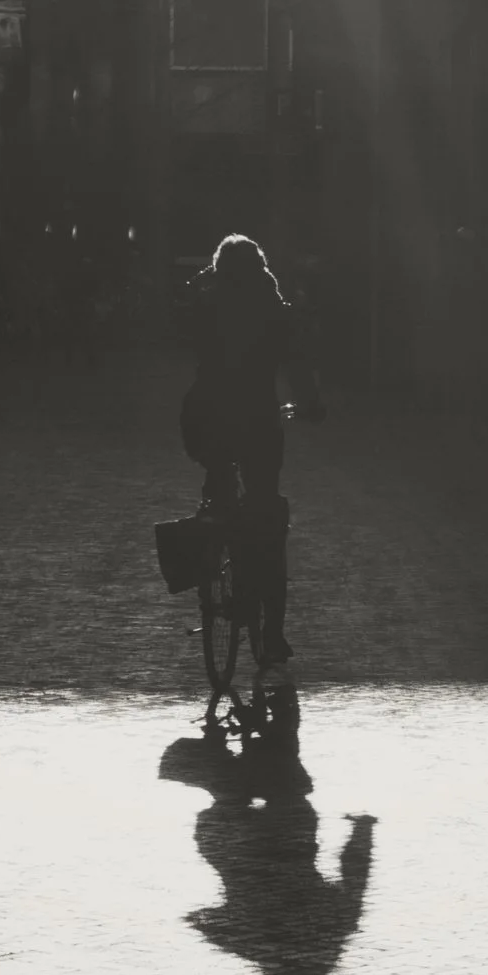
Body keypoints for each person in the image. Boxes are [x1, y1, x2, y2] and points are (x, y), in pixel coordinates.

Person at [180, 234, 323, 687]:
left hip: (206, 418)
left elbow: (181, 323)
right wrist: (310, 403)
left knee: (217, 481)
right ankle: (273, 634)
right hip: (259, 422)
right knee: (267, 514)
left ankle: (212, 543)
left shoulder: (206, 305)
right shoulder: (274, 311)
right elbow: (297, 363)